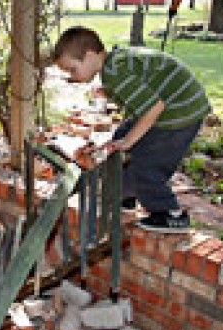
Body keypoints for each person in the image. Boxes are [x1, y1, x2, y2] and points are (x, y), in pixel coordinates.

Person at [53, 27, 211, 232]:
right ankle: (125, 193)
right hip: (174, 105)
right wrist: (123, 134)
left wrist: (128, 142)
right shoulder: (114, 64)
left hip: (179, 113)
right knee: (121, 135)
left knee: (146, 165)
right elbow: (141, 94)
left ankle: (169, 213)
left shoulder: (114, 73)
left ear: (90, 56)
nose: (73, 77)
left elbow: (154, 108)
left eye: (73, 70)